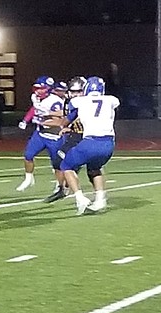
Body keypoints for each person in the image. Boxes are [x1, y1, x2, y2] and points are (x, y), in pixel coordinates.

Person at [53, 76, 119, 215]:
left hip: (90, 141)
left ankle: (80, 198)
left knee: (66, 166)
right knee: (95, 168)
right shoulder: (112, 100)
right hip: (109, 144)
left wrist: (64, 124)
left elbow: (68, 116)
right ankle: (100, 200)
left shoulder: (79, 101)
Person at [15, 76, 67, 192]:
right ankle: (29, 179)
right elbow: (35, 108)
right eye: (36, 88)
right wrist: (26, 120)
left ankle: (60, 186)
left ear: (48, 89)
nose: (38, 91)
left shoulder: (55, 101)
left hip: (54, 136)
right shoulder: (35, 97)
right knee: (28, 155)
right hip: (40, 133)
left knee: (56, 164)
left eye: (41, 88)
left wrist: (45, 116)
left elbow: (60, 118)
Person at [44, 76, 86, 203]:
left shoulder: (88, 103)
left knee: (90, 167)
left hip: (86, 137)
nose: (76, 95)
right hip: (74, 135)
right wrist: (69, 127)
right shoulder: (69, 103)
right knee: (58, 161)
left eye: (79, 91)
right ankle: (62, 188)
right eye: (73, 92)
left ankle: (93, 197)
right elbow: (69, 119)